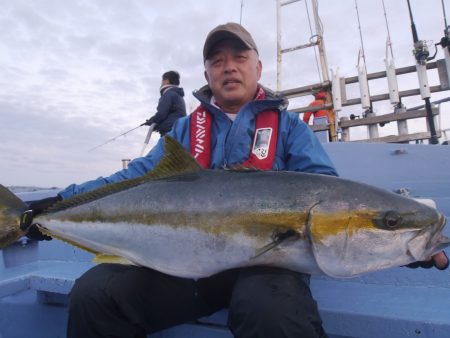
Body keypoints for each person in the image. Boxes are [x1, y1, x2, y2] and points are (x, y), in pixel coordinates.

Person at [24, 22, 448, 338]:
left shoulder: (290, 129)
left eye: (238, 58)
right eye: (217, 61)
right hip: (185, 271)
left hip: (266, 272)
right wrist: (57, 202)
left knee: (272, 312)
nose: (228, 68)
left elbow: (327, 196)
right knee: (94, 295)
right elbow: (134, 178)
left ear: (257, 67)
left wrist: (400, 246)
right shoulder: (186, 132)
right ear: (207, 74)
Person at [144, 70, 187, 136]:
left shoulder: (169, 94)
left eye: (162, 81)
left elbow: (161, 114)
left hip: (170, 132)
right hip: (178, 130)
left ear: (166, 81)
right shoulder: (178, 96)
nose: (161, 83)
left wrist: (152, 121)